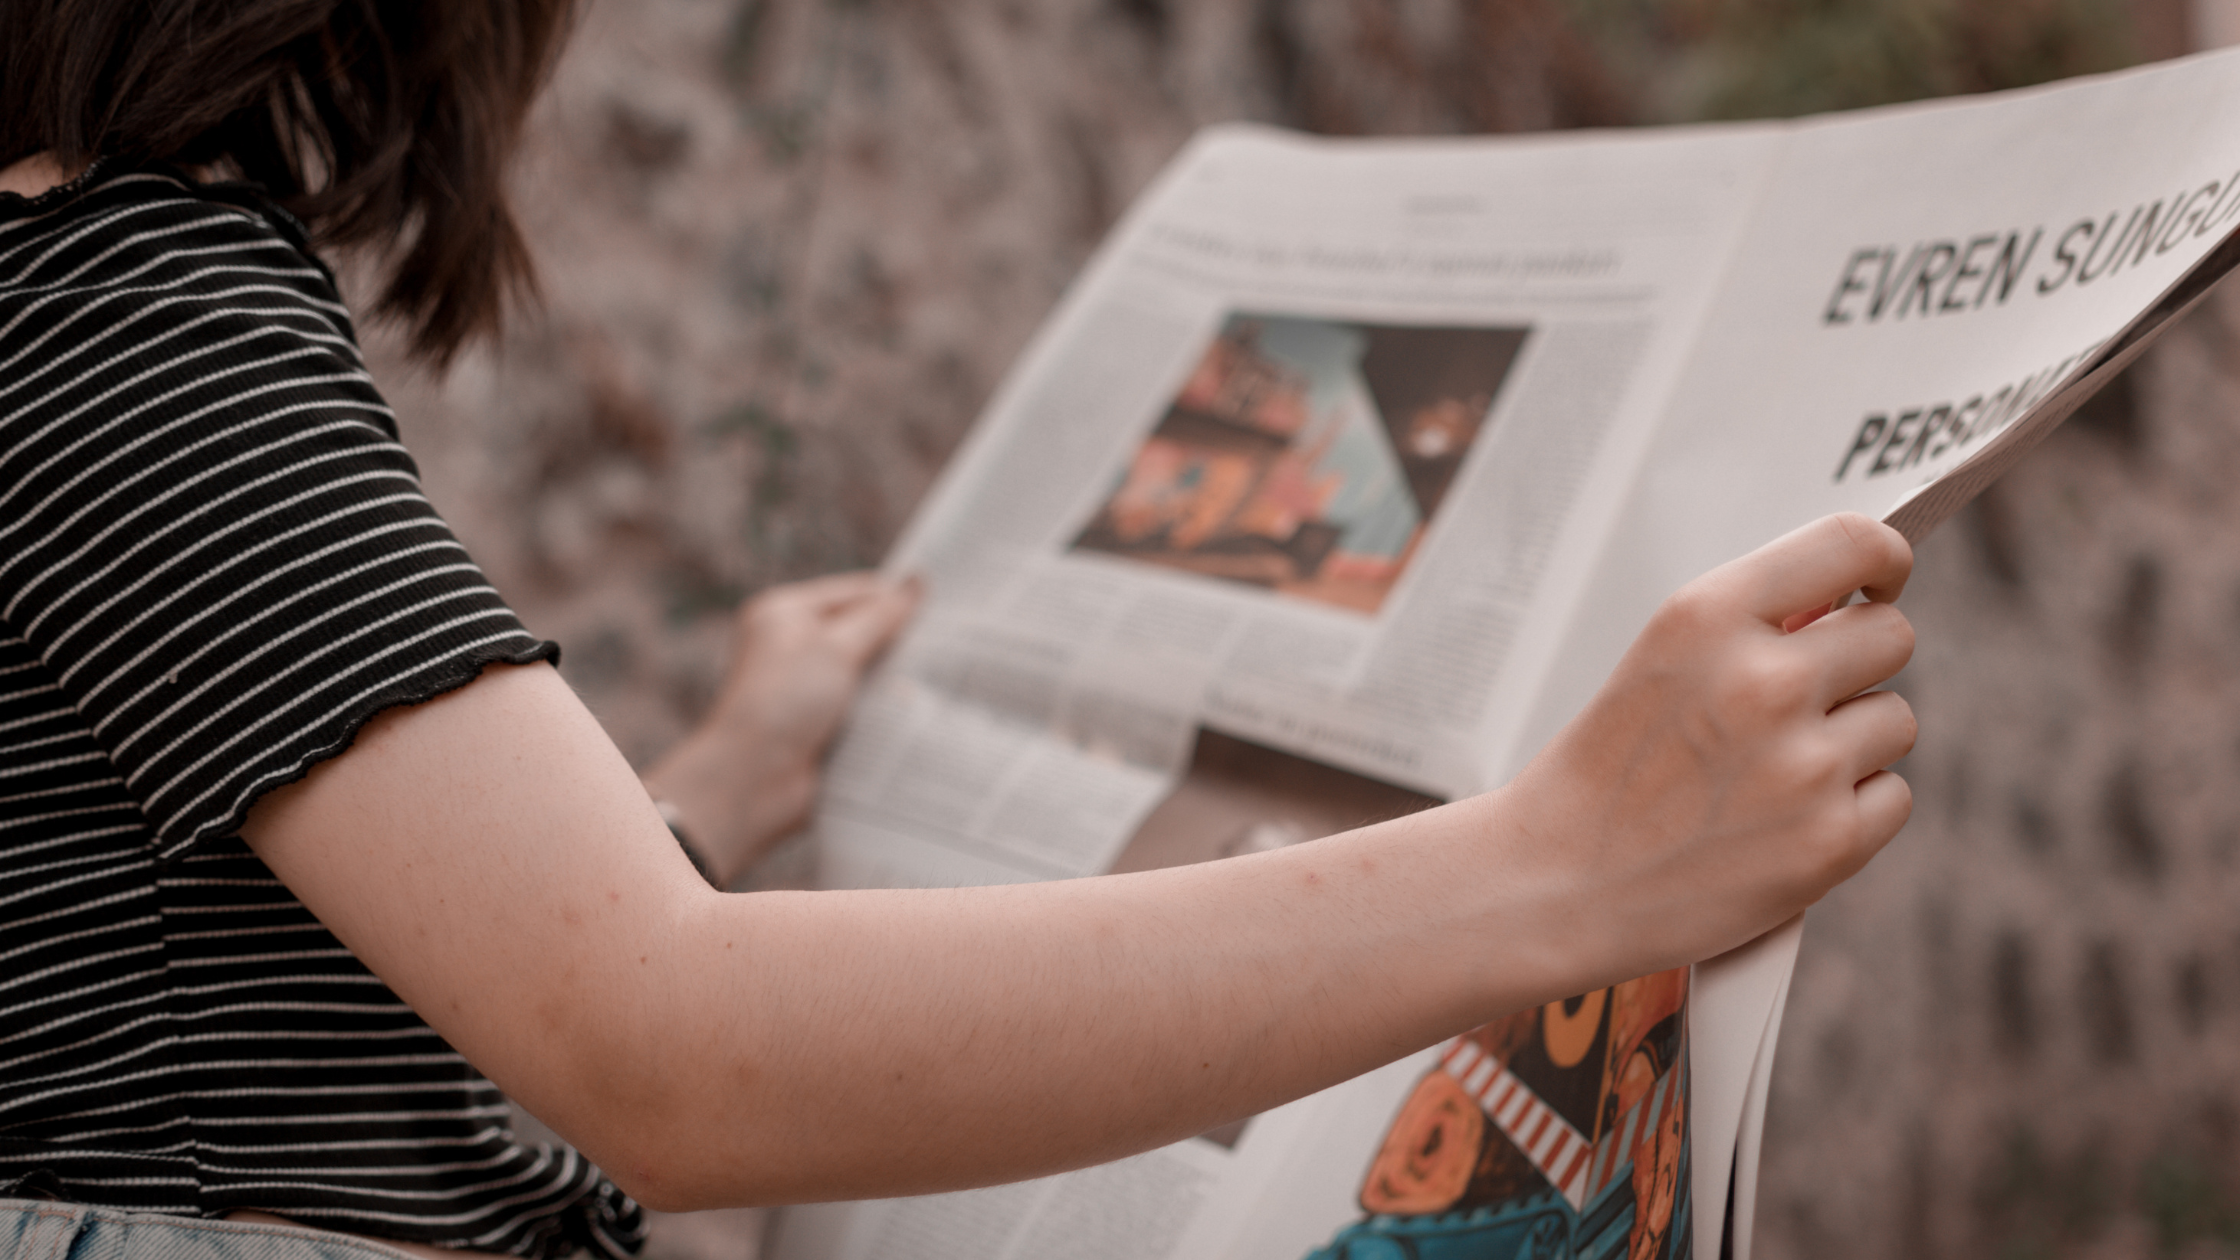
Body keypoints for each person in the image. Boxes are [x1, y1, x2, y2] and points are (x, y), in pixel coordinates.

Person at [0, 3, 1920, 1259]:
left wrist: (702, 804)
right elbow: (669, 1054)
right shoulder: (105, 299)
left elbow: (175, 999)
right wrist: (1567, 864)